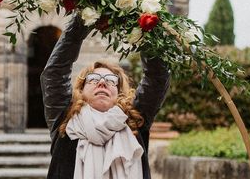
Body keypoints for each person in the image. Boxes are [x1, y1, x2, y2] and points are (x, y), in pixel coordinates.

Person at [41, 16, 170, 179]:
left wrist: (144, 26)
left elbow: (157, 78)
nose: (102, 84)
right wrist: (84, 18)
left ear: (119, 92)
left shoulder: (135, 120)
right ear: (81, 89)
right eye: (93, 79)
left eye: (110, 81)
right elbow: (54, 73)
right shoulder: (65, 119)